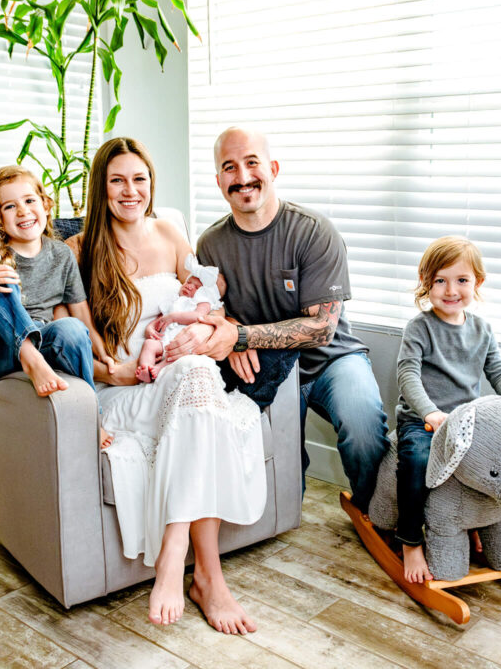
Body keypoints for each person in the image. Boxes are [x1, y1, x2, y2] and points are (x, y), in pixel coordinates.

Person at [67, 137, 266, 635]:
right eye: (117, 180)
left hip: (179, 375)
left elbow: (203, 302)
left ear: (151, 184)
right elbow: (70, 345)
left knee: (198, 375)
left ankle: (176, 559)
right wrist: (114, 372)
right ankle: (210, 580)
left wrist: (215, 332)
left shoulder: (172, 234)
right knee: (200, 391)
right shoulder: (78, 251)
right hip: (125, 391)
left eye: (139, 179)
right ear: (101, 188)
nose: (130, 190)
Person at [167, 127, 390, 513]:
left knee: (364, 427)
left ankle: (377, 512)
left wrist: (241, 337)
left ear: (272, 168)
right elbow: (214, 306)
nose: (242, 177)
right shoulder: (210, 244)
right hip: (269, 370)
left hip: (332, 361)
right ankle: (283, 514)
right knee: (284, 476)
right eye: (229, 167)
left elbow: (322, 327)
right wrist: (231, 326)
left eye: (251, 163)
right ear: (219, 180)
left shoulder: (314, 231)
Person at [0, 165, 114, 448]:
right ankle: (31, 358)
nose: (23, 211)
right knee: (0, 275)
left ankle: (90, 417)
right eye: (10, 206)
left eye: (30, 200)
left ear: (45, 205)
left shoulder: (61, 254)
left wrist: (103, 352)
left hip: (39, 336)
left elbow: (80, 311)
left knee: (71, 328)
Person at [395, 235, 501, 582]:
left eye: (461, 280)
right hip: (423, 422)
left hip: (467, 424)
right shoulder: (419, 328)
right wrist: (430, 413)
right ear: (426, 283)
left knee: (491, 464)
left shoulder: (482, 330)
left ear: (477, 283)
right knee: (418, 462)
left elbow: (499, 370)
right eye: (440, 280)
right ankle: (409, 540)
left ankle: (475, 524)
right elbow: (408, 374)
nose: (451, 290)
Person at [136, 255, 224, 383]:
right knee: (149, 344)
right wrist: (150, 328)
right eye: (188, 282)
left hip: (182, 341)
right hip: (164, 340)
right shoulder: (176, 301)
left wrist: (174, 317)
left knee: (182, 356)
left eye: (197, 287)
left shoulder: (203, 303)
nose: (189, 286)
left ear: (207, 293)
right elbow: (162, 318)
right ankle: (146, 368)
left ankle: (159, 368)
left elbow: (197, 317)